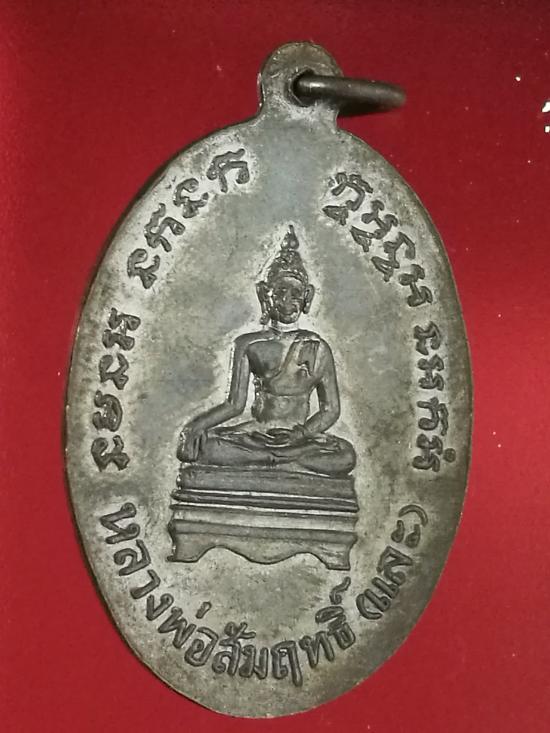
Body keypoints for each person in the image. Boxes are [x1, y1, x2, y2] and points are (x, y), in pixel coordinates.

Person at [178, 226, 356, 477]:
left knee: (346, 455)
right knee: (205, 446)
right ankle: (280, 461)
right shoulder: (248, 344)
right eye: (280, 291)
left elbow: (330, 410)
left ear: (307, 297)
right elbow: (234, 404)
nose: (288, 301)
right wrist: (196, 426)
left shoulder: (317, 347)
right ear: (265, 294)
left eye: (296, 293)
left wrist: (302, 434)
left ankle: (274, 460)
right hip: (256, 434)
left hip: (298, 439)